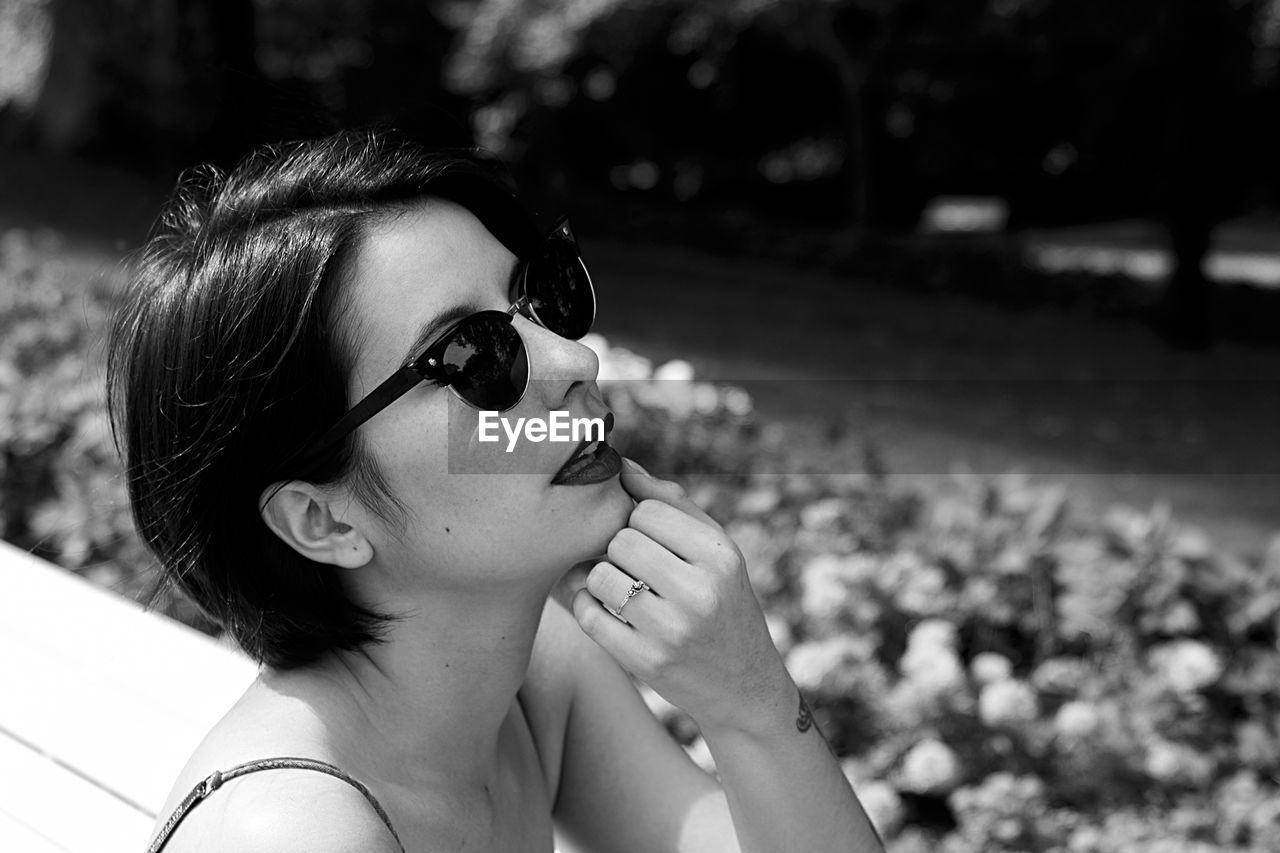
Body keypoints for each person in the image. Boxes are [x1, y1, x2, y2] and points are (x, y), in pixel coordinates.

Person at [108, 130, 885, 853]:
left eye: (537, 298)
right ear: (320, 517)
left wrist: (751, 703)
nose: (572, 360)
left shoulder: (536, 676)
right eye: (474, 354)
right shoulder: (295, 833)